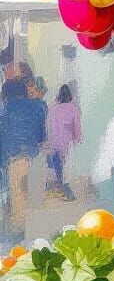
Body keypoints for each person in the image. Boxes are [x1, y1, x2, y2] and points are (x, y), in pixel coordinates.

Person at [0, 71, 46, 239]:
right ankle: (26, 225)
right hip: (32, 154)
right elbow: (41, 133)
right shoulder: (37, 106)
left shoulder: (6, 108)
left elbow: (3, 132)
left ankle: (19, 230)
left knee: (17, 190)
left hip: (13, 155)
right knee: (26, 190)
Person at [46, 84, 82, 201]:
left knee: (58, 166)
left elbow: (50, 127)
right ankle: (66, 188)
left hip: (55, 143)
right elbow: (76, 127)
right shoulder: (73, 109)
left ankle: (62, 185)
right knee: (67, 166)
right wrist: (77, 138)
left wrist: (49, 142)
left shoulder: (54, 110)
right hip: (68, 143)